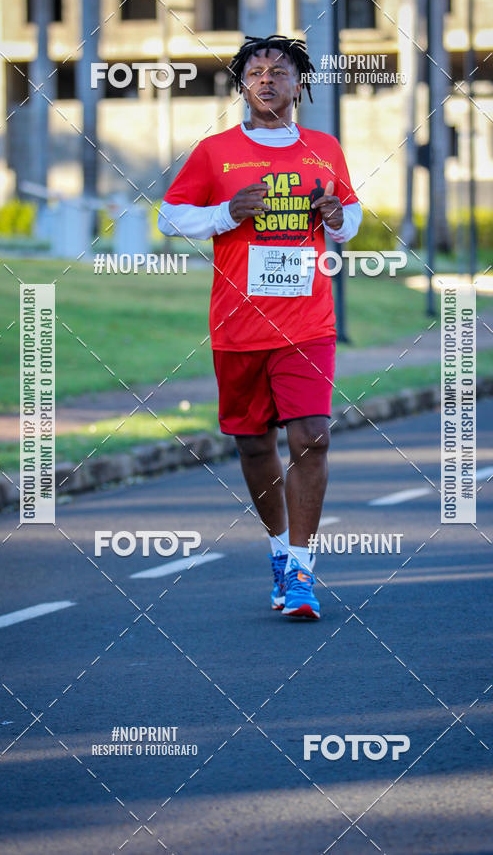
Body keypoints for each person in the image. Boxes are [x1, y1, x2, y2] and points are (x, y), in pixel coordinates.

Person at [158, 34, 362, 619]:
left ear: (301, 85)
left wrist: (335, 216)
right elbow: (170, 216)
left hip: (308, 320)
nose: (266, 78)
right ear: (242, 85)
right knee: (253, 445)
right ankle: (278, 552)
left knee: (311, 437)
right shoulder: (215, 151)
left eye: (279, 70)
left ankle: (302, 572)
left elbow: (349, 221)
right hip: (238, 323)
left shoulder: (324, 147)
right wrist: (227, 213)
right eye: (255, 71)